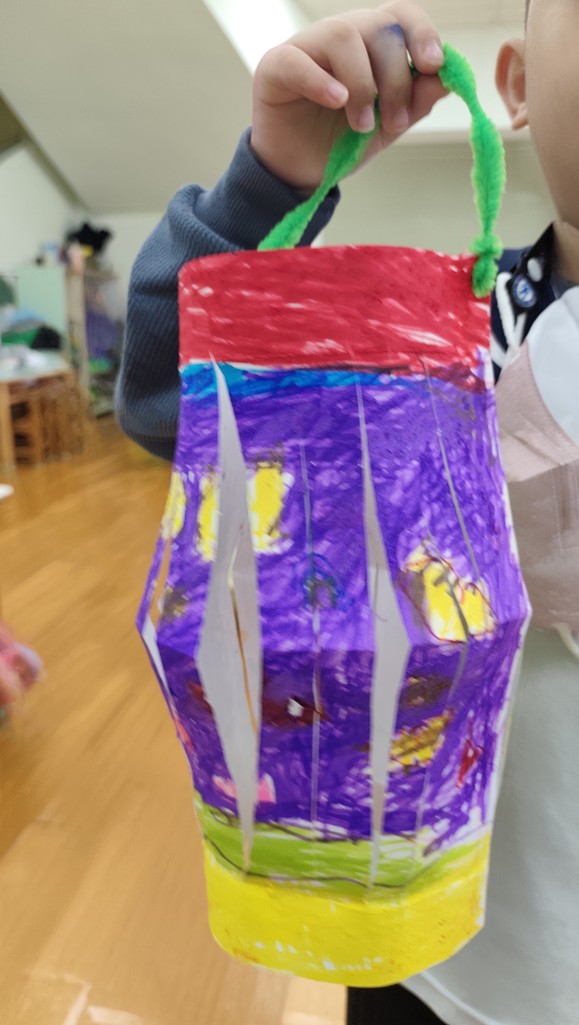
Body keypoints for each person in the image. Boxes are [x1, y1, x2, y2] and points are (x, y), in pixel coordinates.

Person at [116, 3, 579, 1023]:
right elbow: (169, 404)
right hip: (415, 931)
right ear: (516, 83)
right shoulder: (438, 339)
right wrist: (266, 186)